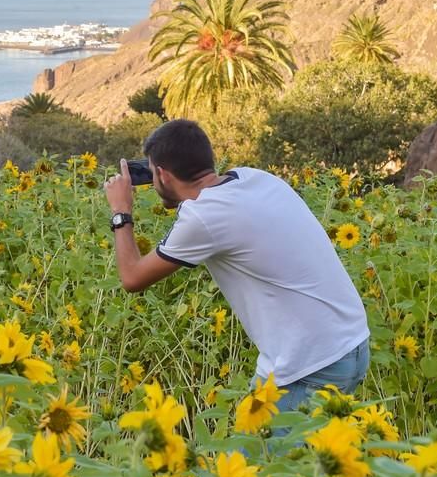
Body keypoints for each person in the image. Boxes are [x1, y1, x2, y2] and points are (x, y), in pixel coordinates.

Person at [103, 119, 369, 410]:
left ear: (164, 175)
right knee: (323, 453)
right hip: (352, 344)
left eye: (152, 172)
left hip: (309, 365)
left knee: (255, 453)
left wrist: (121, 211)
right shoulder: (255, 178)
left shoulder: (204, 216)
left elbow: (132, 277)